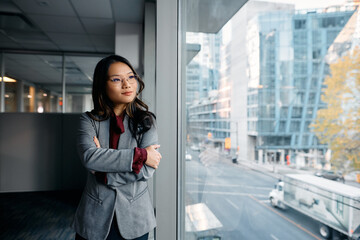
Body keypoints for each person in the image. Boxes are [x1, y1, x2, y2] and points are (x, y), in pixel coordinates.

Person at [72, 55, 162, 240]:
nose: (127, 84)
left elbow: (146, 171)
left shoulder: (146, 121)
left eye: (131, 77)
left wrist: (102, 171)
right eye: (116, 79)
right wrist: (141, 154)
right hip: (94, 216)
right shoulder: (88, 120)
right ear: (102, 85)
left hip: (135, 217)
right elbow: (90, 158)